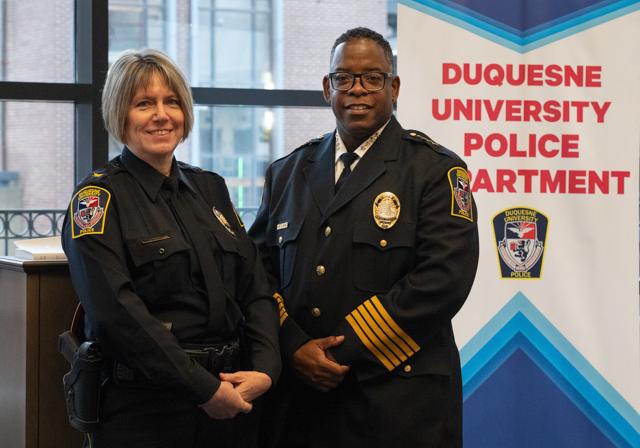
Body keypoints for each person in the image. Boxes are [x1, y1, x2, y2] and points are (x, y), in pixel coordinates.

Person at [250, 27, 479, 447]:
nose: (358, 90)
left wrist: (339, 352)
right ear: (327, 87)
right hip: (302, 407)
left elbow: (444, 279)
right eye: (344, 78)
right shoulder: (287, 173)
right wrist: (294, 346)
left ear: (393, 87)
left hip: (397, 403)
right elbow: (255, 275)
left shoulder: (434, 171)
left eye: (372, 78)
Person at [61, 48, 280, 448]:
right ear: (119, 114)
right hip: (148, 408)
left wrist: (266, 369)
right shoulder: (95, 200)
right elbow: (118, 315)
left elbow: (256, 286)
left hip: (235, 396)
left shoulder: (210, 187)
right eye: (144, 103)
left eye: (172, 101)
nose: (162, 115)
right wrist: (203, 389)